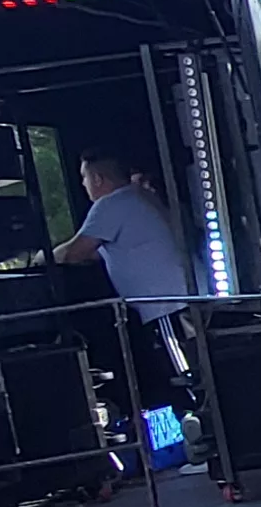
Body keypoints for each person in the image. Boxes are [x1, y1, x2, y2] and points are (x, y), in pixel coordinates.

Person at [48, 150, 199, 415]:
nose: (83, 185)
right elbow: (106, 251)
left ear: (98, 178)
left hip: (167, 304)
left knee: (187, 372)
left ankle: (203, 417)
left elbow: (75, 252)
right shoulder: (140, 197)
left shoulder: (111, 204)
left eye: (84, 178)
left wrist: (43, 256)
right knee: (197, 363)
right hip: (189, 297)